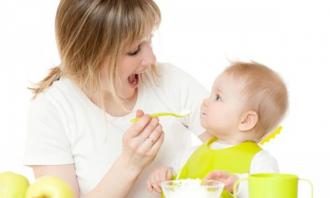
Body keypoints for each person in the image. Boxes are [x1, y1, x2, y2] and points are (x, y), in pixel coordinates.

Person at [23, 0, 210, 197]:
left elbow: (234, 147)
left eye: (149, 40)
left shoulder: (170, 81)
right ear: (89, 55)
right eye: (134, 50)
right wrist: (129, 164)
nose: (151, 59)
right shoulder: (53, 110)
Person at [147, 61, 289, 197]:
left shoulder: (260, 161)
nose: (205, 101)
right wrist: (163, 176)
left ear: (246, 120)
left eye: (218, 97)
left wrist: (237, 186)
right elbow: (172, 181)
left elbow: (271, 193)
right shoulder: (189, 156)